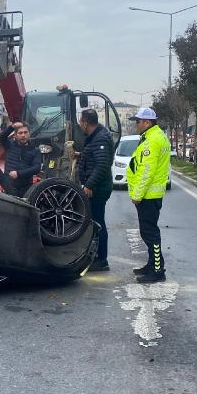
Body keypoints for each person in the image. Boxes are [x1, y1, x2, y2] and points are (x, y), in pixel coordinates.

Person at [127, 108, 171, 283]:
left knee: (150, 233)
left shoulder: (152, 140)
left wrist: (137, 194)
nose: (136, 125)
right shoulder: (154, 136)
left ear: (147, 122)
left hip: (148, 195)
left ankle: (158, 270)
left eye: (138, 122)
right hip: (151, 194)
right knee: (148, 232)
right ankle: (152, 264)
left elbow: (147, 171)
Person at [78, 109, 114, 272]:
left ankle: (101, 259)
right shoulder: (96, 137)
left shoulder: (100, 138)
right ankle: (97, 257)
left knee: (98, 223)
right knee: (95, 222)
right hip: (95, 186)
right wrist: (81, 155)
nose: (80, 126)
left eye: (81, 122)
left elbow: (102, 165)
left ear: (85, 122)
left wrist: (89, 185)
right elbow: (95, 158)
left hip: (98, 188)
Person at [0, 122, 41, 197]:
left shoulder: (35, 150)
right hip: (9, 187)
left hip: (26, 188)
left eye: (25, 132)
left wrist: (18, 174)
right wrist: (12, 127)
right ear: (15, 135)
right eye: (20, 133)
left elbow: (36, 168)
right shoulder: (9, 145)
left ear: (29, 134)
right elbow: (1, 137)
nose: (23, 135)